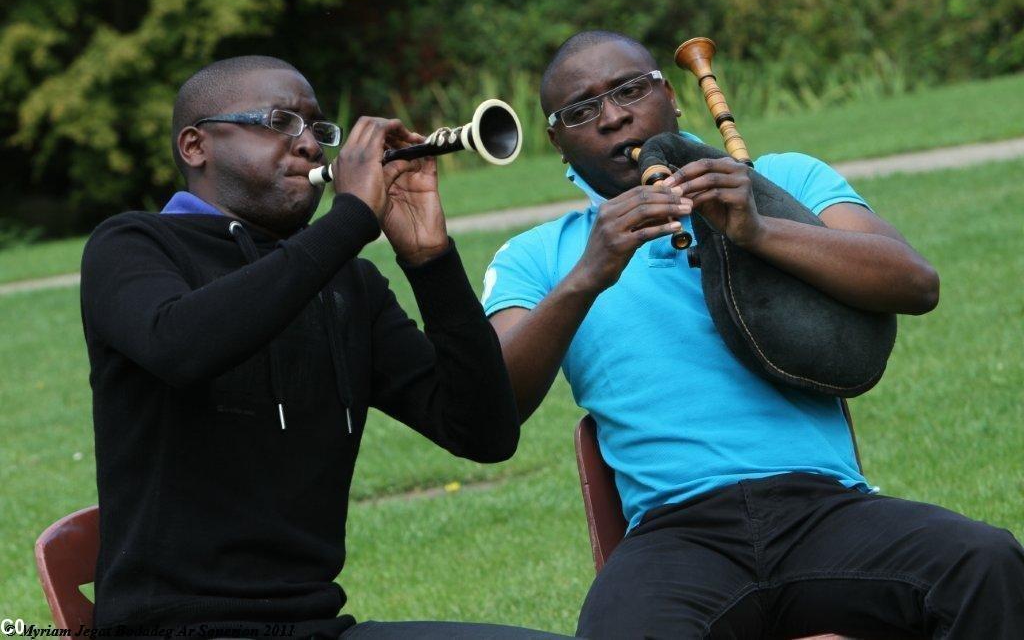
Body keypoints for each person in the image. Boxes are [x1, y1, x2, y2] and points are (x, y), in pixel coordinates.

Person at [482, 31, 1024, 639]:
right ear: (558, 141)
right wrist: (588, 273)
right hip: (675, 534)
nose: (613, 118)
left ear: (672, 95)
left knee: (986, 564)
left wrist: (760, 230)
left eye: (629, 90)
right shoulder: (537, 255)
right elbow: (494, 402)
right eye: (580, 111)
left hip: (824, 509)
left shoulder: (781, 179)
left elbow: (915, 283)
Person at [80, 56, 565, 640]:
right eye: (282, 122)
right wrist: (352, 219)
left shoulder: (346, 285)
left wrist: (429, 259)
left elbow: (484, 433)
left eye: (317, 130)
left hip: (314, 626)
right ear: (195, 145)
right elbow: (182, 347)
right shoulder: (131, 245)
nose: (311, 146)